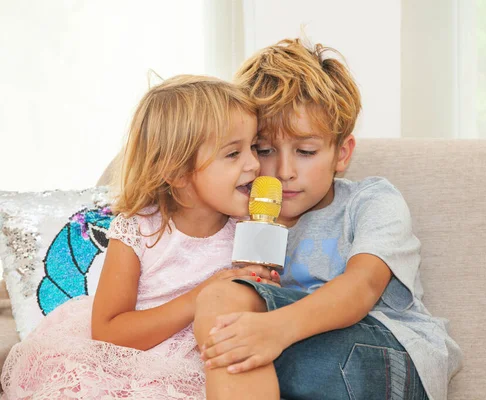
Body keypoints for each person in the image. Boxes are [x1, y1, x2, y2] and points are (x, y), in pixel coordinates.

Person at [194, 39, 463, 400]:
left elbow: (362, 287)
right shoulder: (235, 211)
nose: (284, 171)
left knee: (226, 307)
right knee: (225, 316)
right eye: (264, 149)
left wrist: (275, 328)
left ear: (342, 153)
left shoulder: (370, 201)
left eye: (305, 151)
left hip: (388, 357)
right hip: (292, 359)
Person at [0, 75, 280, 399]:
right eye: (233, 154)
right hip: (128, 366)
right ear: (177, 172)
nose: (254, 164)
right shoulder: (137, 230)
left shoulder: (249, 228)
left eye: (254, 147)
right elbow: (108, 333)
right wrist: (200, 296)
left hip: (207, 369)